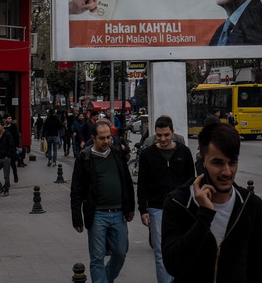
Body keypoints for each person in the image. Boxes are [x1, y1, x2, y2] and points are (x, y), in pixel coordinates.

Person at [161, 122, 262, 282]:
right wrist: (204, 216)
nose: (226, 172)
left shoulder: (250, 205)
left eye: (232, 163)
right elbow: (173, 265)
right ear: (202, 161)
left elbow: (256, 269)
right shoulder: (179, 202)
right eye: (217, 163)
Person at [71, 120, 135, 283]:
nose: (106, 141)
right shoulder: (84, 158)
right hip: (97, 214)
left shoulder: (117, 153)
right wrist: (77, 217)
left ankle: (106, 278)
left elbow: (127, 181)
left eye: (109, 137)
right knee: (97, 257)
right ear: (94, 138)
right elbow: (76, 190)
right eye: (102, 138)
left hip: (119, 212)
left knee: (120, 252)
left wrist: (131, 207)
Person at [137, 115, 195, 283]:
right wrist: (143, 209)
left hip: (181, 209)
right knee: (160, 253)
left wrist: (192, 207)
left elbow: (191, 180)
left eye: (166, 135)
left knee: (183, 249)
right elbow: (142, 184)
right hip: (157, 209)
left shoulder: (184, 152)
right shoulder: (148, 155)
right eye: (159, 135)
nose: (162, 139)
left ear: (173, 133)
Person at [0, 119, 14, 196]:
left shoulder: (7, 134)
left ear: (2, 126)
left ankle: (6, 189)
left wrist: (8, 156)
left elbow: (11, 146)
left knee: (6, 175)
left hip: (5, 158)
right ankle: (0, 188)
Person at [4, 114, 22, 181]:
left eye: (11, 118)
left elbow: (17, 136)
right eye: (9, 118)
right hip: (5, 148)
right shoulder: (3, 128)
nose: (10, 120)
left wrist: (18, 146)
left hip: (13, 148)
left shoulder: (13, 126)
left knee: (13, 162)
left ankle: (15, 174)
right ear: (5, 119)